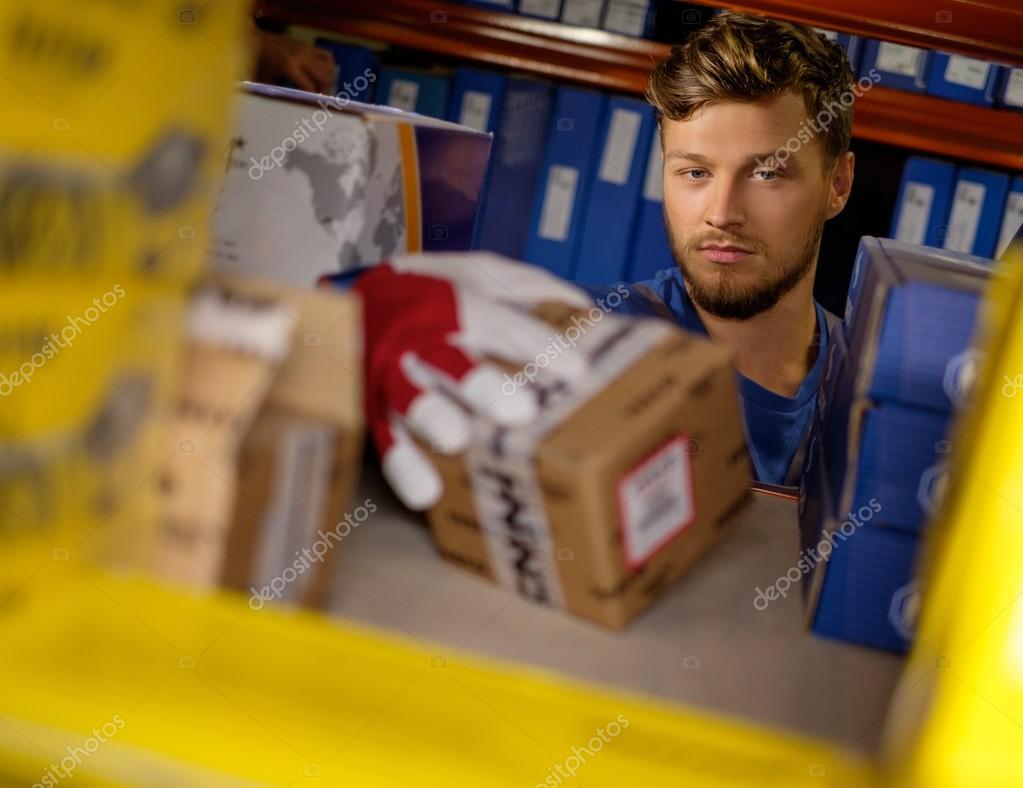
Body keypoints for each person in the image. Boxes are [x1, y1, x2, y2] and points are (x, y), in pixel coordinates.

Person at [337, 12, 855, 509]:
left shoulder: (873, 388)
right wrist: (364, 324)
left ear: (838, 185)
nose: (721, 214)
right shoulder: (581, 338)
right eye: (695, 173)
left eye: (767, 173)